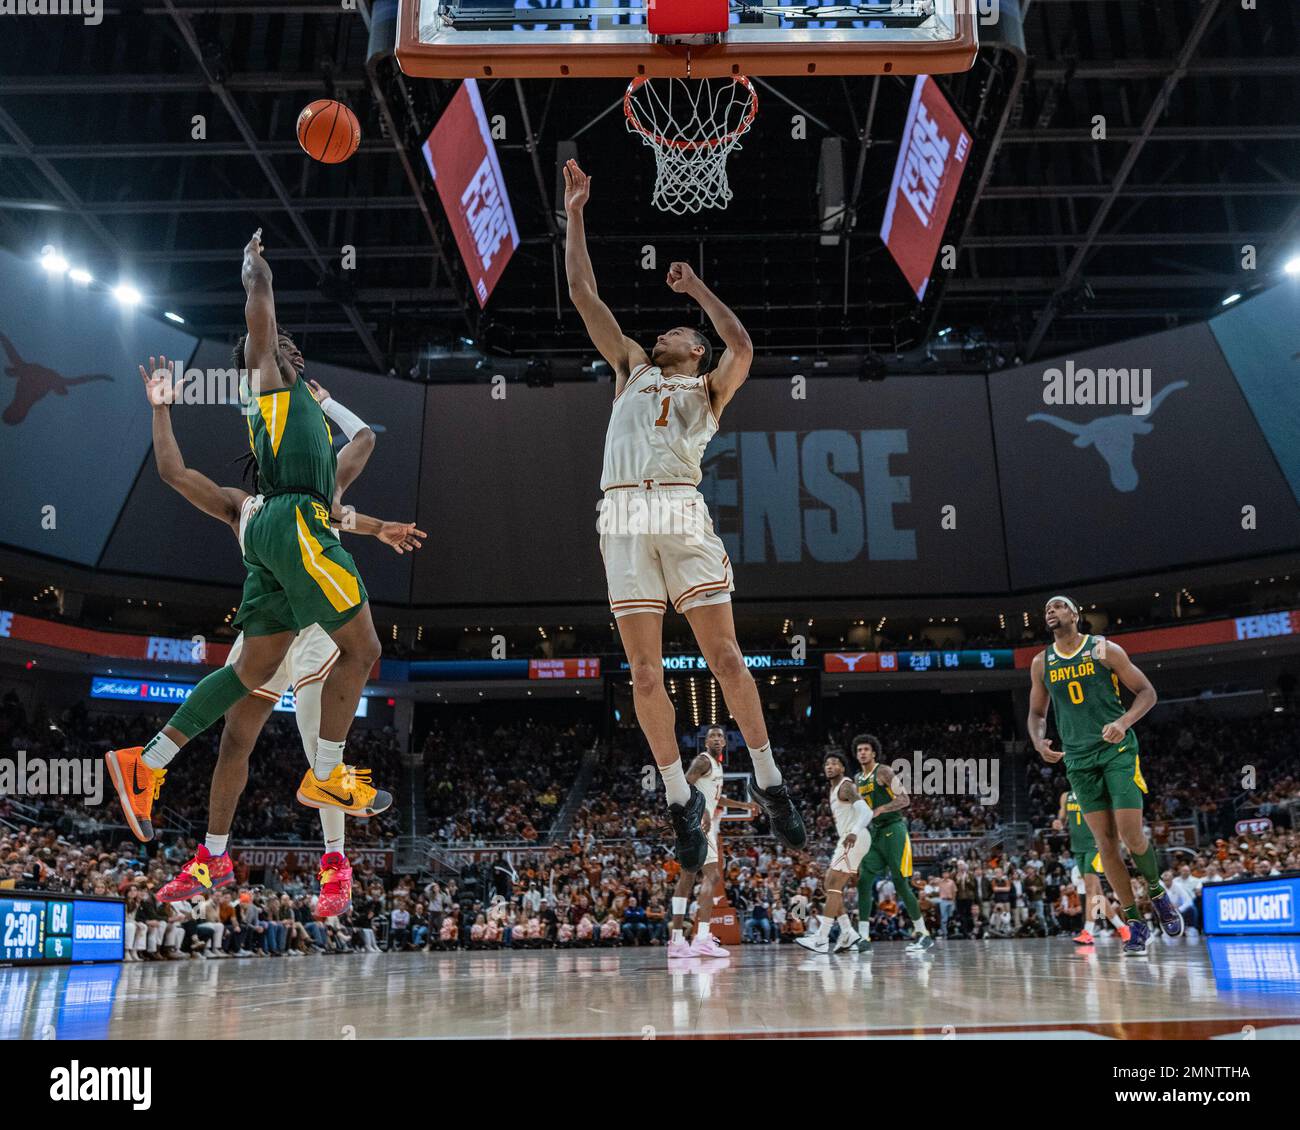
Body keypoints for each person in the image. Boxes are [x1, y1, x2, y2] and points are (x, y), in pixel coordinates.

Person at [105, 230, 391, 856]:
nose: (289, 352)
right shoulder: (265, 383)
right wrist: (253, 266)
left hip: (283, 539)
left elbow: (365, 440)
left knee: (250, 670)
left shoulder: (300, 415)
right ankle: (329, 776)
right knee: (364, 646)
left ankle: (146, 762)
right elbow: (259, 305)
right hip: (294, 524)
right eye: (282, 348)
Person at [562, 160, 805, 870]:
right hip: (622, 514)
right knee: (643, 674)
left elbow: (745, 347)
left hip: (678, 508)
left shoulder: (707, 387)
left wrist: (696, 288)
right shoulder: (631, 366)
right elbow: (582, 292)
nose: (664, 330)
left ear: (693, 348)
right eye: (670, 324)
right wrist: (576, 211)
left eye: (679, 328)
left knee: (724, 656)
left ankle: (769, 781)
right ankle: (678, 799)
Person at [120, 358, 421, 916]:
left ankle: (335, 866)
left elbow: (360, 449)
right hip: (266, 624)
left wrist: (379, 526)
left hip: (313, 629)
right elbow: (173, 472)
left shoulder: (318, 483)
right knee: (236, 739)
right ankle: (211, 855)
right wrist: (161, 410)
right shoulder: (243, 506)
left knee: (318, 747)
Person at [1028, 596, 1184, 954]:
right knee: (1106, 845)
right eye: (1046, 610)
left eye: (1058, 606)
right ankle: (1134, 921)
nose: (1051, 612)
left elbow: (1147, 692)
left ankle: (1157, 893)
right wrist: (1038, 742)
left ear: (1075, 614)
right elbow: (1037, 713)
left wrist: (1123, 721)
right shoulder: (1041, 662)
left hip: (1116, 751)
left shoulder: (1104, 650)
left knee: (1131, 834)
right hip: (1078, 761)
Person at [667, 726, 756, 959]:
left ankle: (677, 941)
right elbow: (685, 784)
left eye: (720, 736)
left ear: (725, 743)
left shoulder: (717, 766)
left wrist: (744, 806)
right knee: (711, 876)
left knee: (687, 878)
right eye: (712, 736)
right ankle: (702, 938)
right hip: (699, 824)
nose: (717, 739)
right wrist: (703, 812)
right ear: (705, 742)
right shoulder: (703, 761)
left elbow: (715, 797)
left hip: (696, 823)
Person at [851, 734, 933, 954]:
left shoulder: (884, 771)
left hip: (894, 830)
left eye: (866, 749)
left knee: (900, 882)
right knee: (864, 881)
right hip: (875, 834)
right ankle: (863, 937)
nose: (862, 753)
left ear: (874, 752)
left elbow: (904, 799)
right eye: (859, 750)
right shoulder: (858, 779)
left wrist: (882, 809)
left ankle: (923, 933)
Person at [797, 753, 874, 954]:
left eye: (835, 763)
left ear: (842, 768)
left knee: (832, 884)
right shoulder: (833, 789)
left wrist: (854, 833)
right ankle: (848, 932)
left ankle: (822, 939)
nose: (830, 766)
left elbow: (867, 812)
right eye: (827, 763)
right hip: (851, 837)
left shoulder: (846, 786)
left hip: (855, 837)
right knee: (830, 885)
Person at [1055, 788, 1130, 945]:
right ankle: (1123, 928)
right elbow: (1062, 819)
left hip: (1095, 845)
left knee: (1089, 889)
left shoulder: (1096, 792)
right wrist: (1058, 823)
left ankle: (1088, 931)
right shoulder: (1066, 796)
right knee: (1097, 894)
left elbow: (1110, 816)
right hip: (1078, 847)